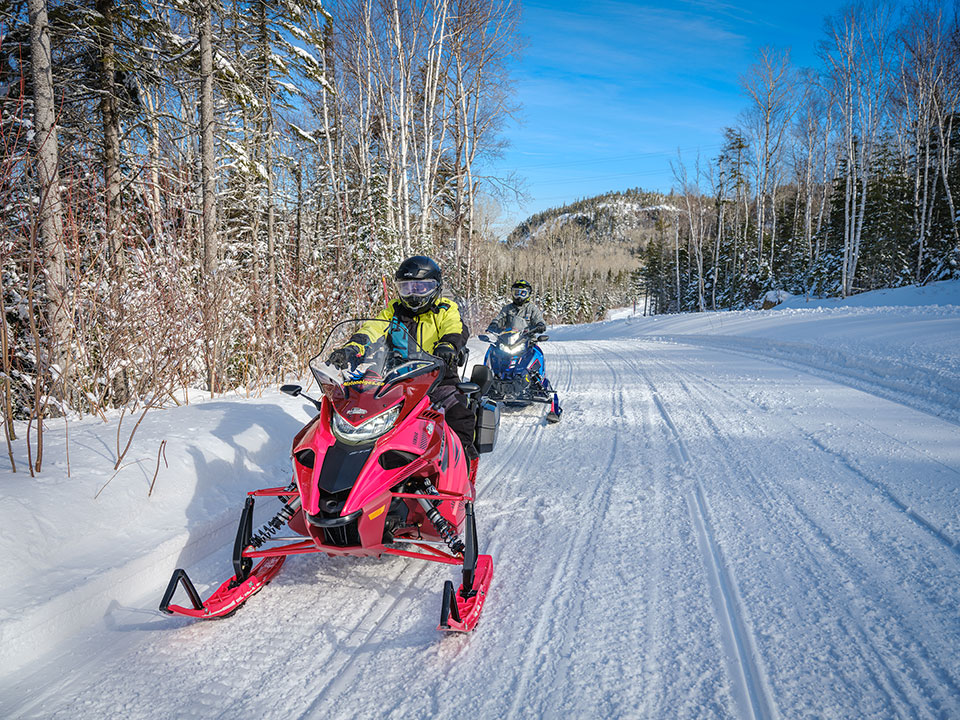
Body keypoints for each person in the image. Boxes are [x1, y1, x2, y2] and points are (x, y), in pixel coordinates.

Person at [327, 255, 479, 462]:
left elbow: (454, 327)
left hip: (437, 377)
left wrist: (448, 345)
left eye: (421, 287)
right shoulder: (394, 311)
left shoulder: (445, 309)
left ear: (435, 287)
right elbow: (372, 328)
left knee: (458, 411)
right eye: (407, 288)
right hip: (395, 377)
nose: (413, 294)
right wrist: (351, 348)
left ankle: (462, 460)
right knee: (355, 411)